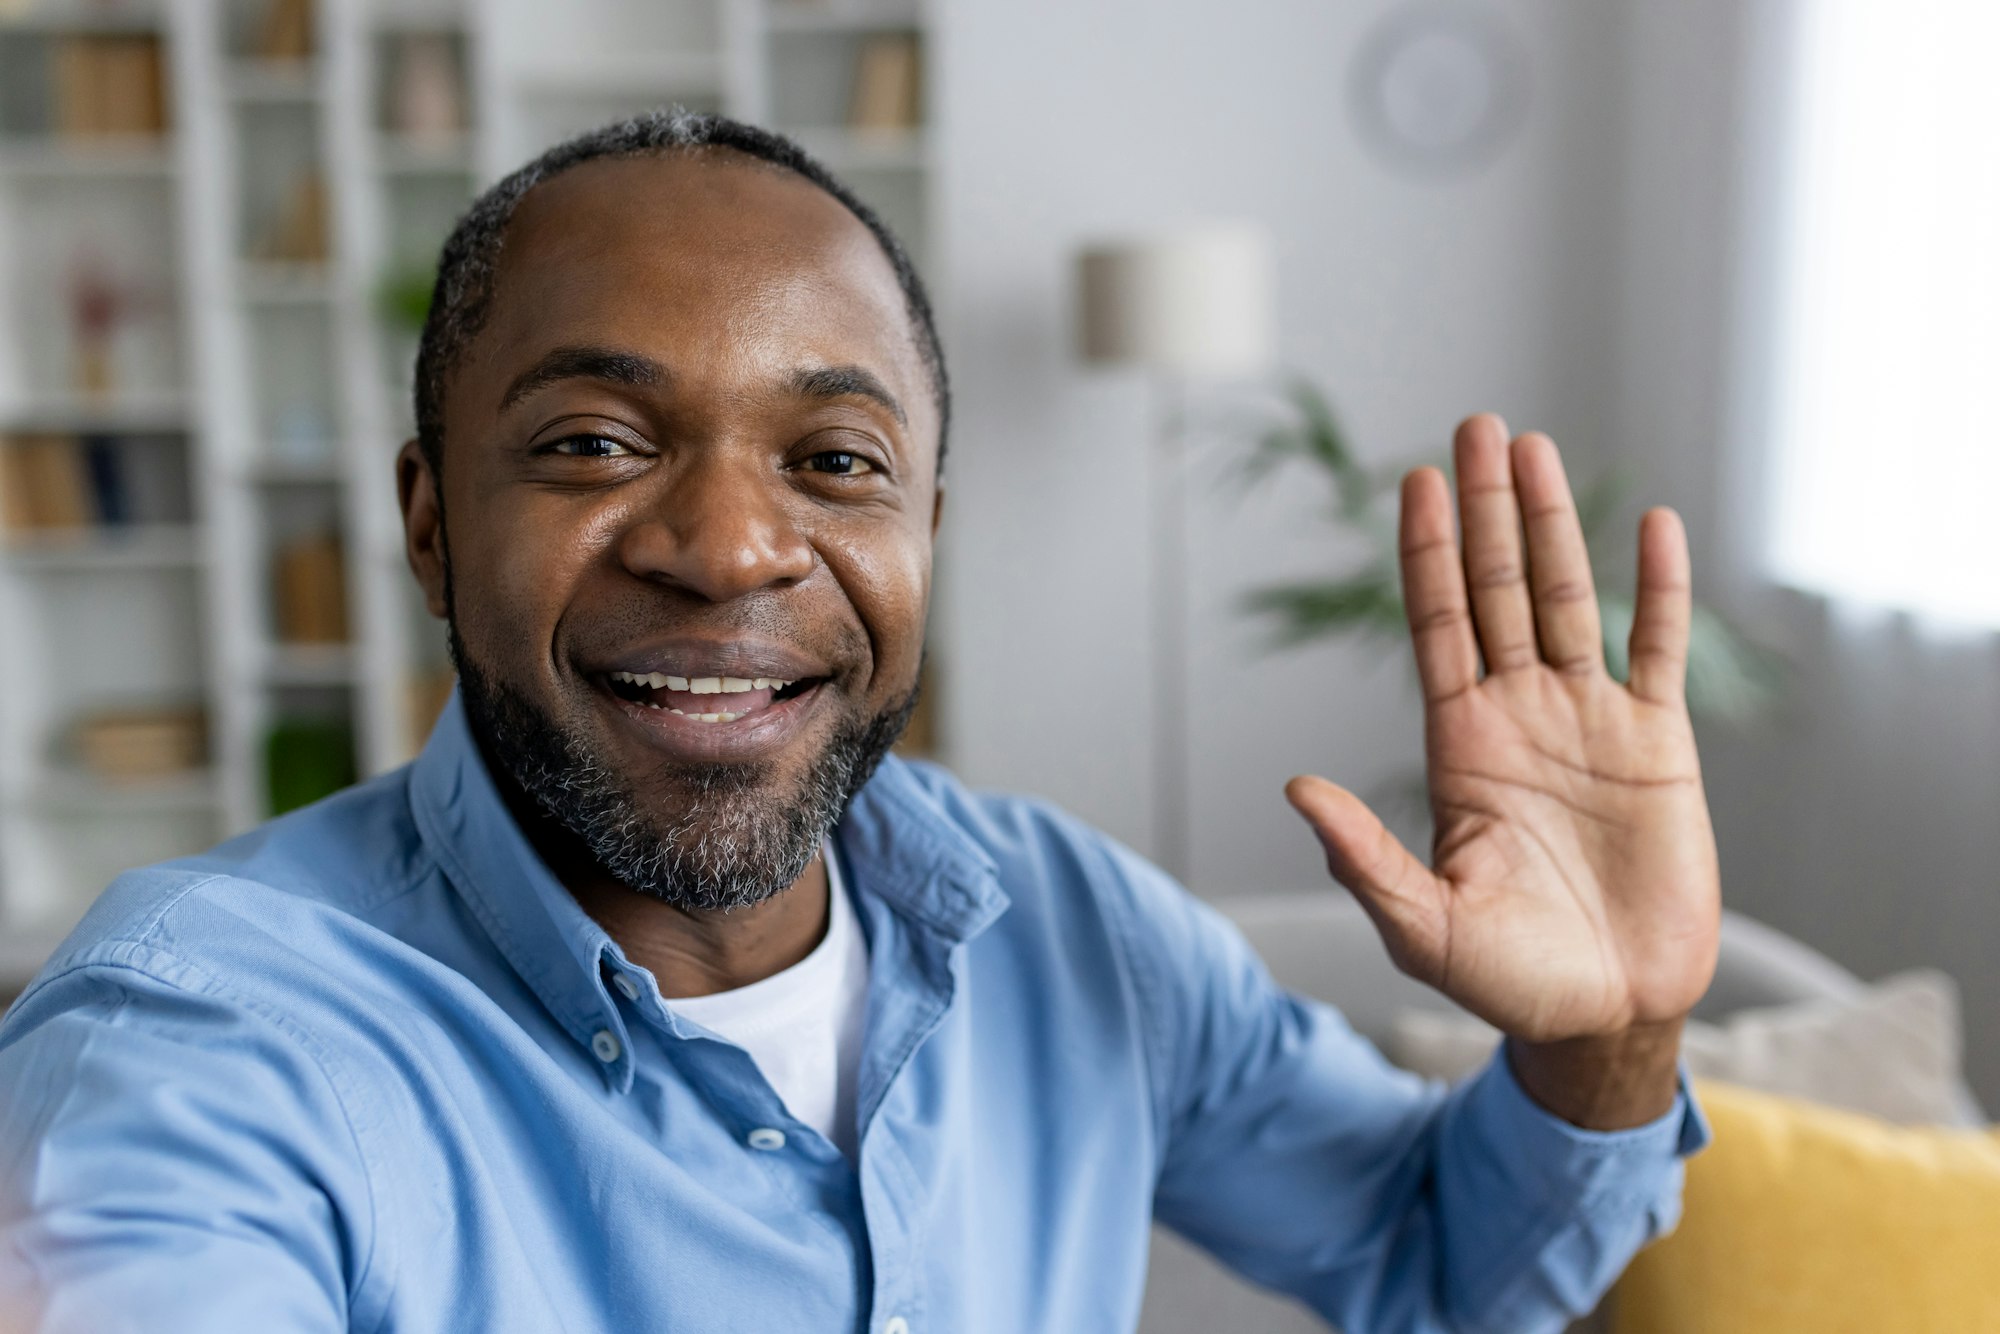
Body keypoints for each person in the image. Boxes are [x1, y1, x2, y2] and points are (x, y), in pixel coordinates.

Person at [0, 111, 1715, 1333]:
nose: (732, 546)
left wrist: (1612, 1034)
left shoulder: (1066, 923)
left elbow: (1436, 1260)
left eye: (836, 461)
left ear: (925, 536)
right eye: (596, 440)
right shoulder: (201, 1043)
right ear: (431, 520)